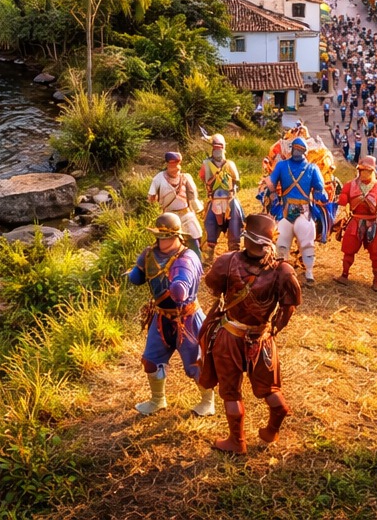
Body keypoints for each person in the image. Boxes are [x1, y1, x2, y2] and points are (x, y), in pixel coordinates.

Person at [198, 213, 303, 455]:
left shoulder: (227, 261)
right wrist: (273, 328)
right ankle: (273, 427)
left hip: (230, 336)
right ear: (269, 242)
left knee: (231, 392)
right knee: (271, 390)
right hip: (263, 340)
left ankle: (237, 442)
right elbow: (289, 307)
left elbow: (213, 288)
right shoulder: (284, 271)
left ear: (246, 239)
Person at [127, 213, 217, 417]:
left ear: (177, 236)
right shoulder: (149, 254)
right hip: (160, 318)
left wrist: (179, 287)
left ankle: (207, 401)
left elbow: (183, 285)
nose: (161, 240)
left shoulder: (187, 257)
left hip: (188, 319)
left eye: (165, 236)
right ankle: (158, 399)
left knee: (195, 364)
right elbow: (136, 278)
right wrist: (134, 272)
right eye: (158, 236)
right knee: (151, 361)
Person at [262, 135, 330, 285]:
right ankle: (307, 273)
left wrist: (274, 200)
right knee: (304, 243)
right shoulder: (312, 168)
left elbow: (270, 183)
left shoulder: (281, 165)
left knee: (283, 242)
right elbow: (320, 190)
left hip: (287, 211)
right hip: (302, 212)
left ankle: (290, 271)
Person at [336, 154, 377, 289]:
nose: (364, 173)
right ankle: (344, 274)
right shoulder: (350, 185)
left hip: (373, 222)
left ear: (372, 171)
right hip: (355, 220)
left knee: (376, 253)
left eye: (367, 170)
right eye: (362, 170)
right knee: (349, 249)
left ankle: (376, 280)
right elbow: (343, 203)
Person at [149, 151, 204, 256]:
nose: (175, 168)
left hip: (186, 214)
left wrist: (197, 208)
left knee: (194, 238)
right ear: (168, 165)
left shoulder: (186, 177)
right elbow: (151, 197)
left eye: (177, 165)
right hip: (169, 217)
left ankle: (197, 261)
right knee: (168, 243)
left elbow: (193, 196)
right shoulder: (158, 178)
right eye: (172, 165)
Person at [199, 134, 243, 257]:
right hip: (214, 199)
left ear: (223, 149)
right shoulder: (206, 164)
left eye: (220, 148)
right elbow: (203, 177)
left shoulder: (230, 164)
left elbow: (236, 180)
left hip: (229, 199)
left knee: (236, 219)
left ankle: (235, 248)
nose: (218, 150)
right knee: (209, 222)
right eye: (215, 148)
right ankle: (209, 250)